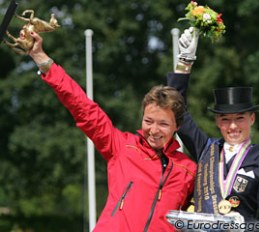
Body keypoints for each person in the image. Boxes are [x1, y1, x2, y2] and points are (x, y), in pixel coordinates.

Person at [28, 31, 196, 232]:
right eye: (148, 121)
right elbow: (83, 108)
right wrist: (41, 58)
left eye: (163, 124)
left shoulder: (188, 169)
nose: (154, 130)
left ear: (177, 126)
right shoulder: (122, 146)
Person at [167, 27, 259, 229]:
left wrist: (241, 226)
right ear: (217, 122)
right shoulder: (206, 150)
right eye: (225, 119)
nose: (232, 126)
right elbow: (177, 111)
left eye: (239, 118)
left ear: (252, 119)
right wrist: (184, 63)